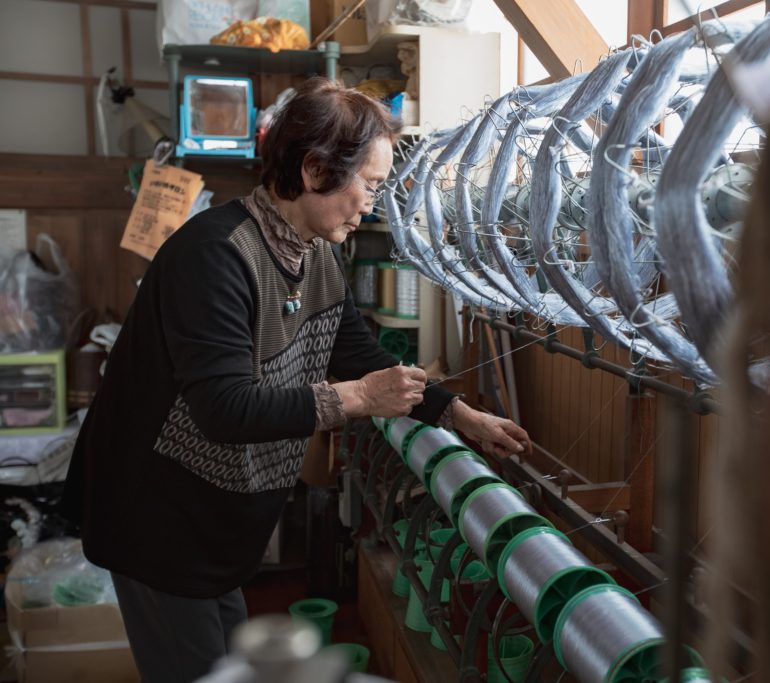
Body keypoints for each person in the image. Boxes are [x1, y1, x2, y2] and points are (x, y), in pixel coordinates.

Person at [60, 78, 531, 683]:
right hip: (158, 522)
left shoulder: (317, 255)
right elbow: (224, 408)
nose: (372, 203)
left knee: (232, 665)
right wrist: (360, 399)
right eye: (369, 184)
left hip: (215, 525)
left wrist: (459, 416)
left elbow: (357, 352)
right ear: (313, 170)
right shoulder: (216, 256)